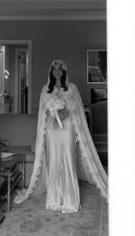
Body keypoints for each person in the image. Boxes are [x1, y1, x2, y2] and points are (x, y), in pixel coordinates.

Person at [14, 59, 108, 213]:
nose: (57, 71)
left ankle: (70, 199)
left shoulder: (72, 88)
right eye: (54, 69)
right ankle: (54, 199)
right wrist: (52, 111)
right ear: (51, 71)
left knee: (67, 159)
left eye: (60, 68)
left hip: (67, 128)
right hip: (52, 129)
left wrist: (65, 112)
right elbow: (42, 112)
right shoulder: (46, 89)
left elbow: (77, 109)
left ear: (64, 71)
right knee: (54, 160)